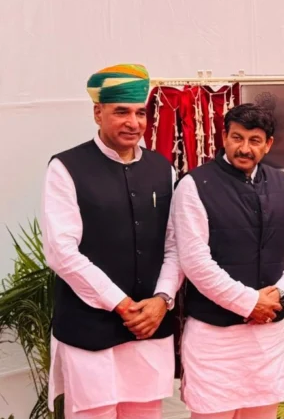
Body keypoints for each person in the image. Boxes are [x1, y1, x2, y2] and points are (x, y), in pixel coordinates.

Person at [41, 64, 183, 418]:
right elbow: (61, 252)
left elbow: (176, 244)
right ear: (97, 113)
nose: (133, 123)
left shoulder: (163, 169)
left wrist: (162, 300)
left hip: (150, 327)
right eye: (121, 112)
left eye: (140, 113)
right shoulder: (66, 167)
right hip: (89, 332)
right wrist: (121, 304)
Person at [171, 102, 284, 419]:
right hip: (215, 339)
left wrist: (283, 294)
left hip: (268, 337)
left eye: (254, 140)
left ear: (268, 144)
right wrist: (249, 303)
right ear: (224, 137)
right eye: (237, 138)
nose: (244, 148)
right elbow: (195, 261)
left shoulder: (283, 183)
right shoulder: (194, 185)